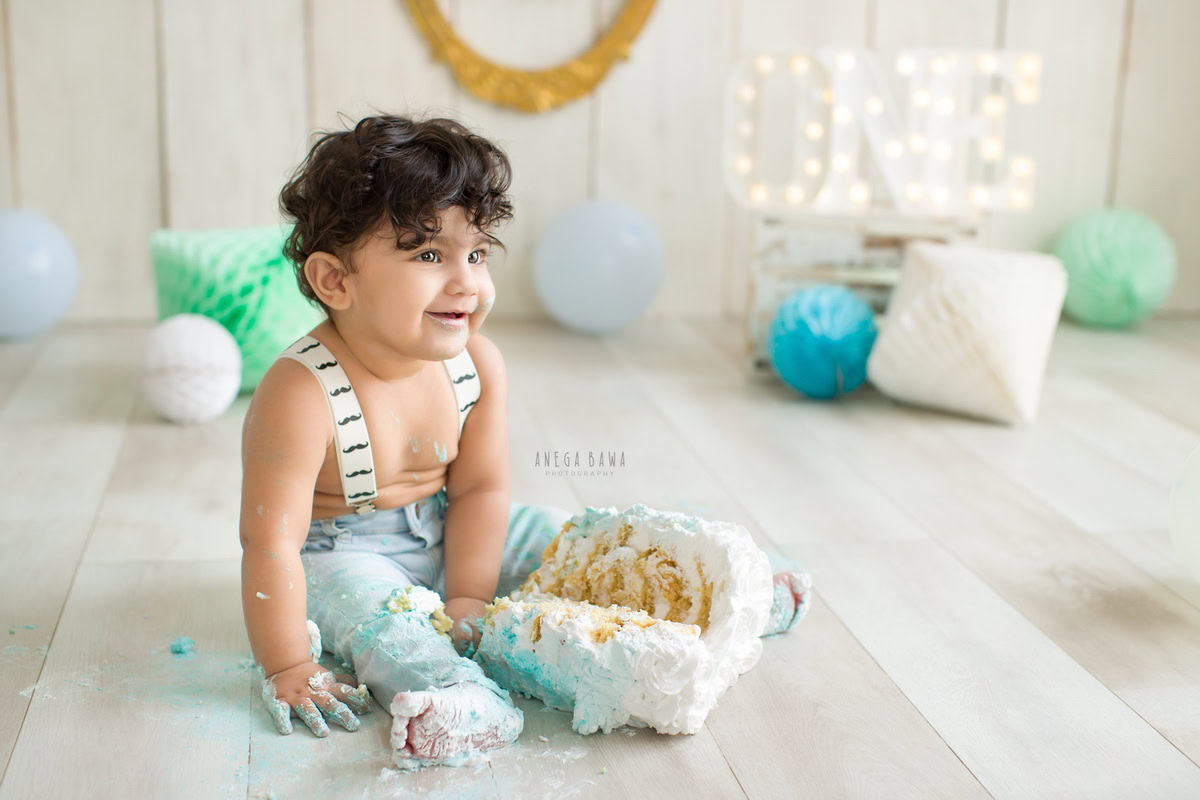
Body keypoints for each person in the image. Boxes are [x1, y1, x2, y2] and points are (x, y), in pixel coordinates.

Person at [238, 114, 811, 770]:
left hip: (455, 522)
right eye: (428, 254)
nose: (467, 282)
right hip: (344, 554)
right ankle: (455, 697)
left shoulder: (476, 365)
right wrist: (288, 661)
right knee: (385, 622)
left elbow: (480, 489)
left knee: (572, 541)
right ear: (335, 281)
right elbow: (270, 543)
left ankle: (712, 592)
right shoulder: (300, 392)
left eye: (477, 253)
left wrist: (470, 599)